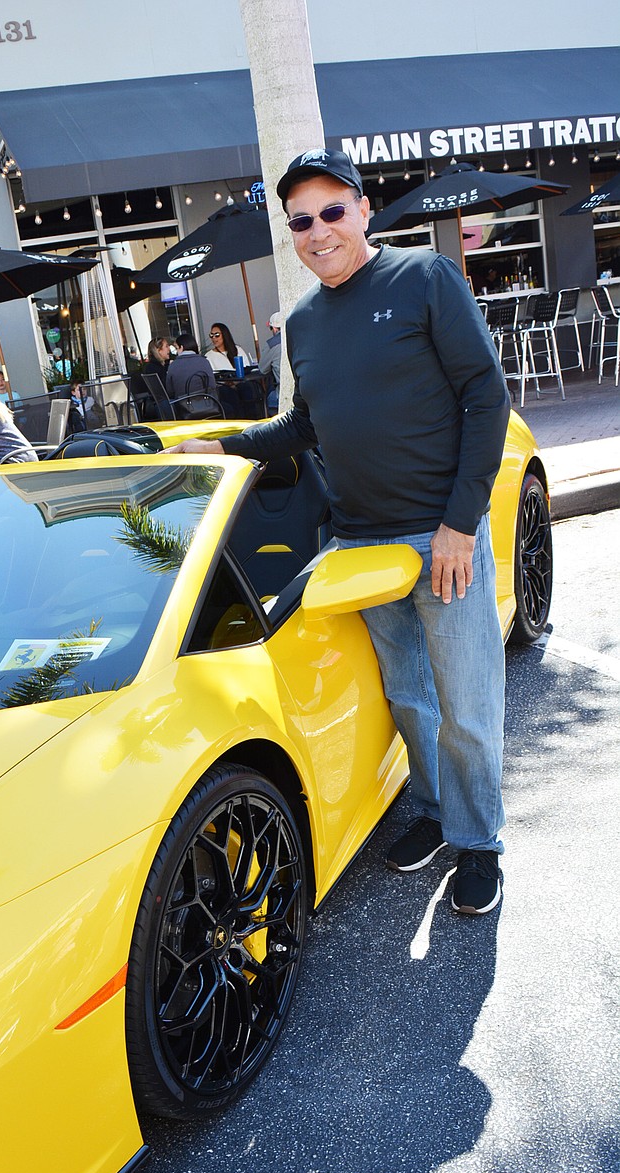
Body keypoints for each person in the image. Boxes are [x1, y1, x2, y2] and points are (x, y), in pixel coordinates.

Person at [170, 148, 510, 917]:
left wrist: (460, 524)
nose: (317, 231)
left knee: (468, 702)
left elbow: (485, 398)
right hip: (361, 548)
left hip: (439, 537)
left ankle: (480, 842)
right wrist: (222, 446)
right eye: (300, 221)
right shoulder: (305, 323)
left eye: (330, 211)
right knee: (410, 698)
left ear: (361, 208)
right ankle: (430, 813)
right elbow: (304, 425)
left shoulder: (423, 279)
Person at [166, 332, 217, 400]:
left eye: (177, 348)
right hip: (206, 405)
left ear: (181, 347)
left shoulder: (173, 365)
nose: (176, 352)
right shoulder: (204, 362)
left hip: (182, 406)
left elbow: (170, 391)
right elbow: (212, 386)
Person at [258, 311, 282, 412]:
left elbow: (262, 369)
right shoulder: (300, 338)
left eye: (270, 328)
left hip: (281, 392)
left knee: (270, 397)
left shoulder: (272, 344)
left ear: (275, 328)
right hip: (305, 390)